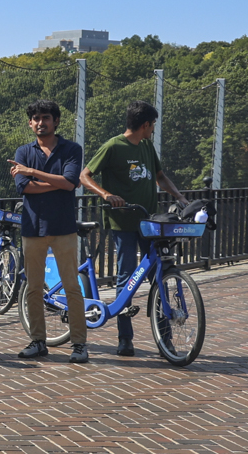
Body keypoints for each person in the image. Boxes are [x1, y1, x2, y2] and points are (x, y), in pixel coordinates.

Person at [80, 99, 187, 355]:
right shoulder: (113, 146)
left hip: (148, 223)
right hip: (123, 222)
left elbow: (160, 177)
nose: (153, 130)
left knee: (160, 277)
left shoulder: (147, 147)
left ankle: (166, 339)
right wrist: (106, 195)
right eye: (153, 125)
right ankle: (125, 338)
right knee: (126, 276)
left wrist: (179, 197)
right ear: (145, 124)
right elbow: (85, 176)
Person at [9, 99, 88, 362]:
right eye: (36, 118)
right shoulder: (22, 151)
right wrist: (60, 182)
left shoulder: (71, 149)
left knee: (71, 287)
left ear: (56, 121)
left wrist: (33, 173)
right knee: (33, 288)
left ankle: (79, 344)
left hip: (63, 227)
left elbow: (70, 183)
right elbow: (25, 188)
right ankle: (37, 341)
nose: (40, 122)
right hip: (33, 227)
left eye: (46, 118)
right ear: (30, 123)